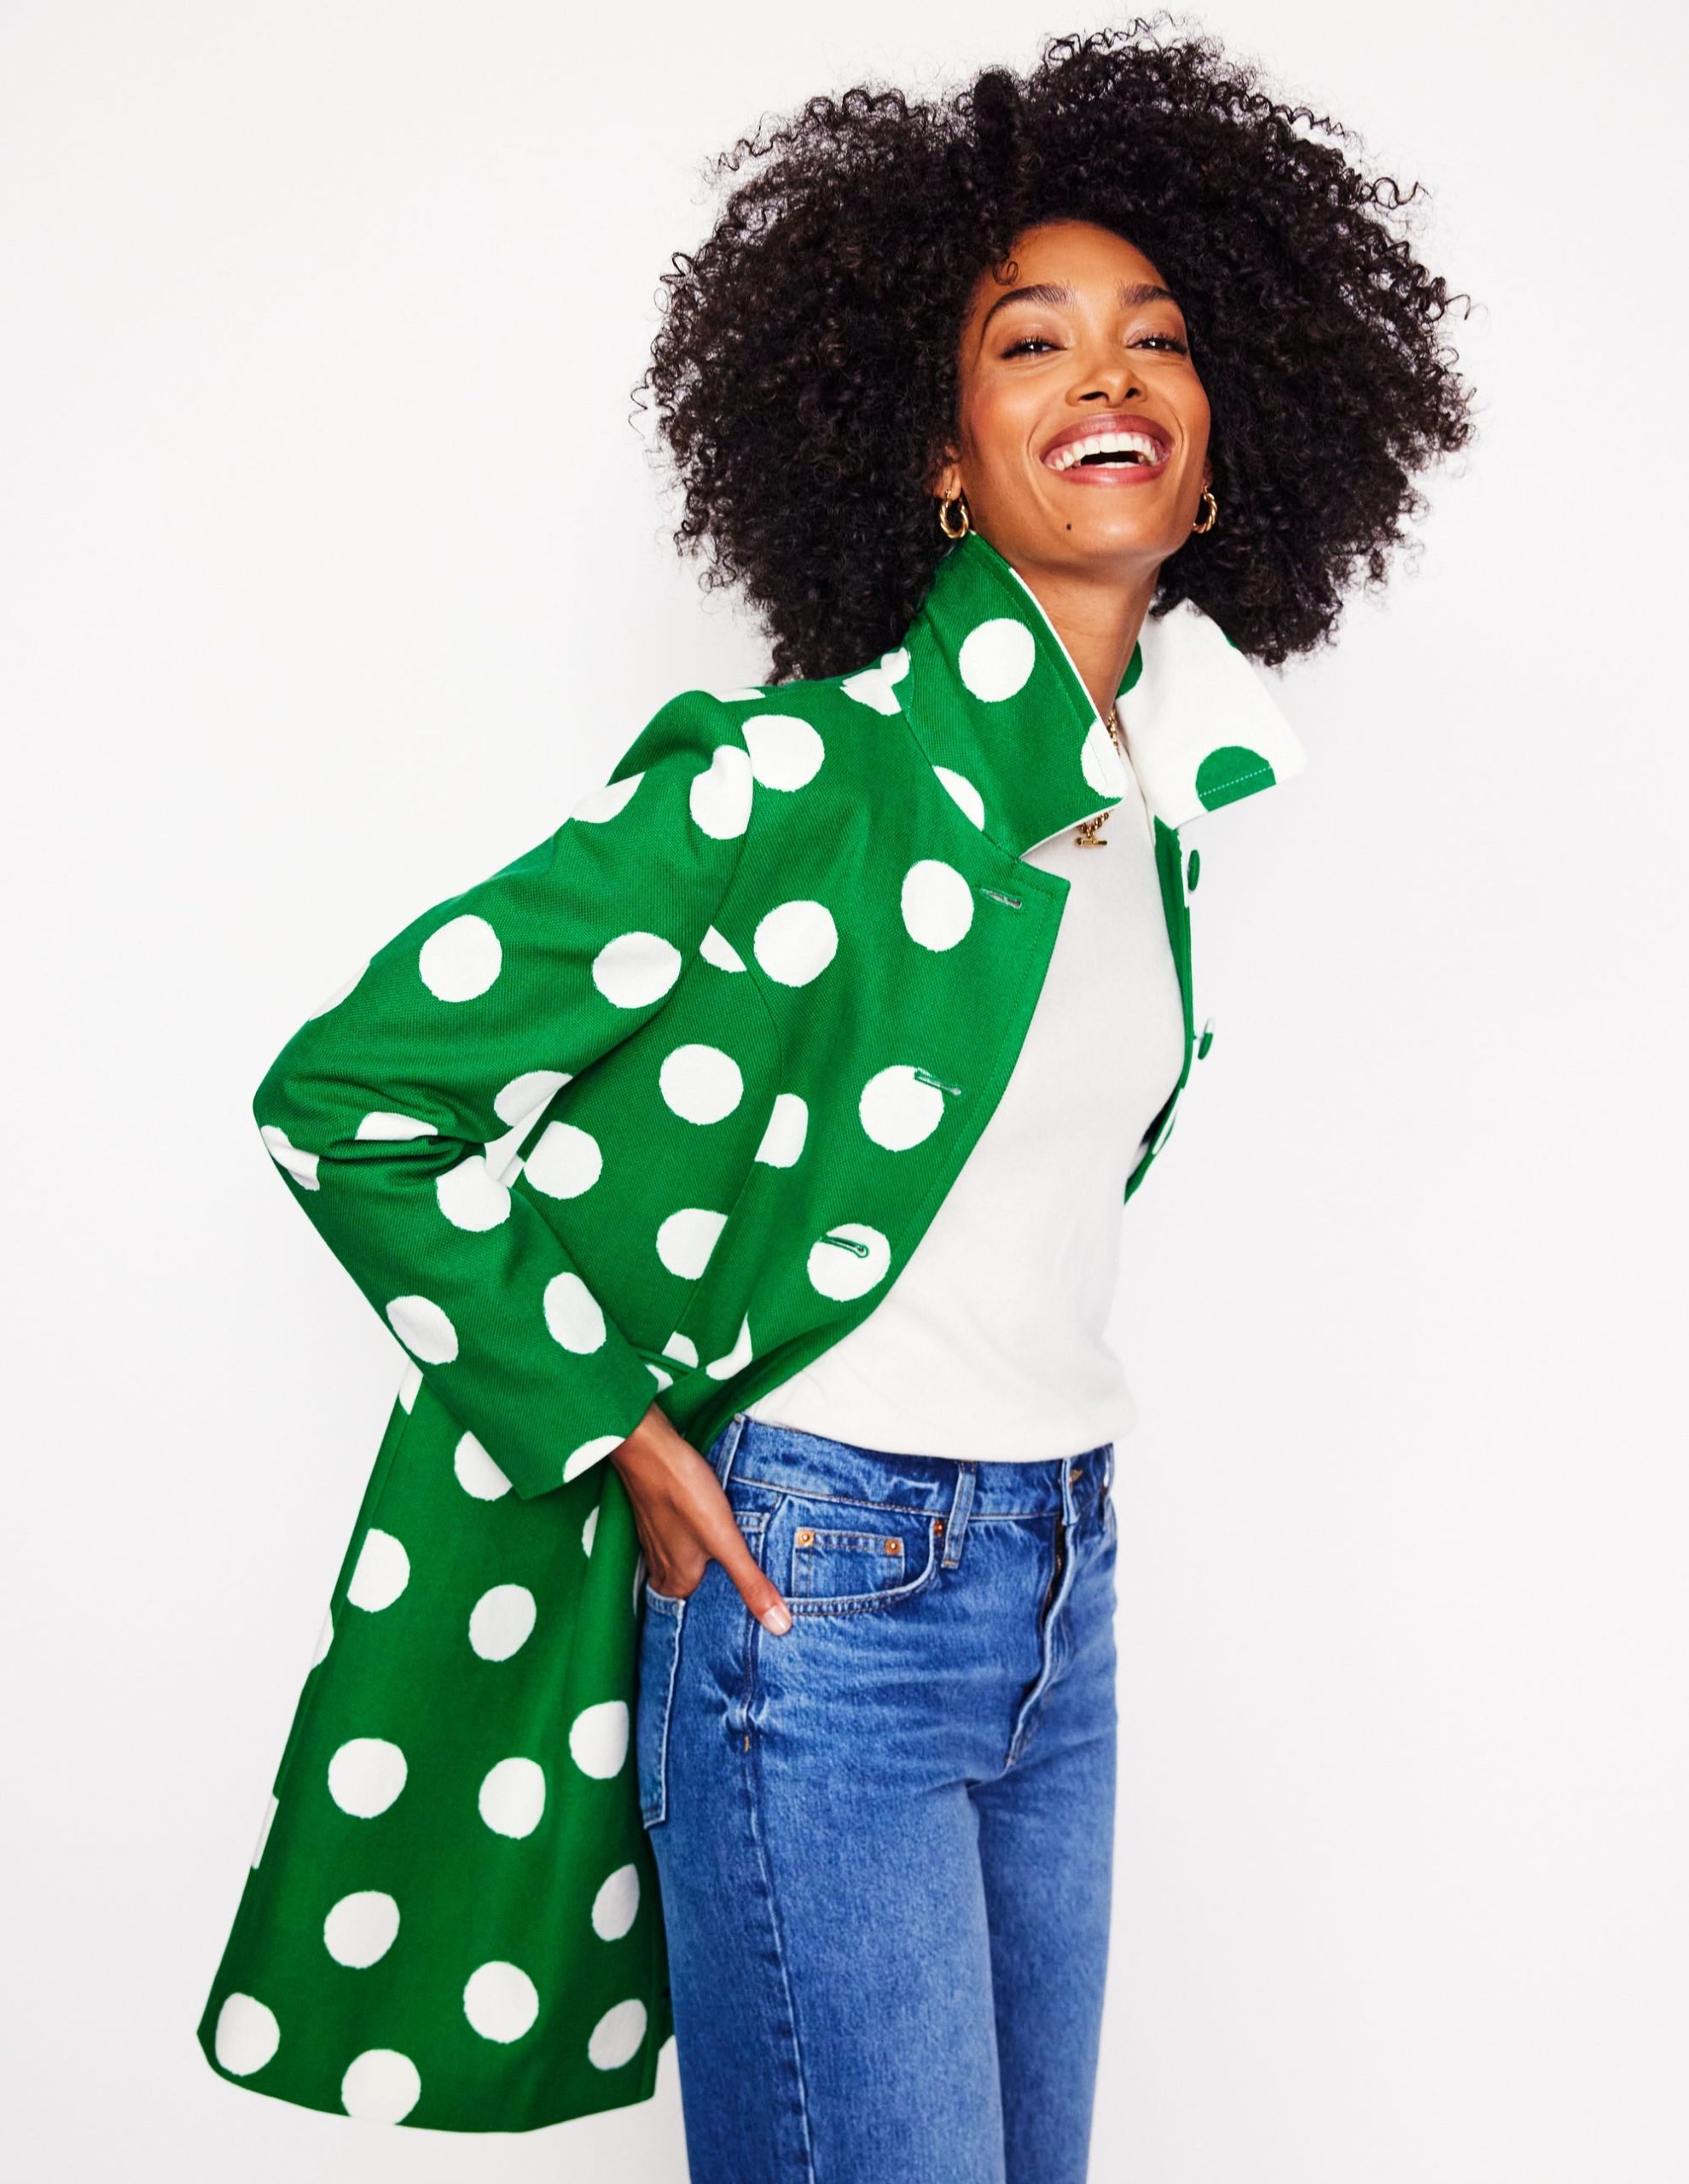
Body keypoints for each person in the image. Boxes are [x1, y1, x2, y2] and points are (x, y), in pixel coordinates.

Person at [197, 26, 1471, 2181]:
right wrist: (613, 1422)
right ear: (942, 458)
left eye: (1160, 338)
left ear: (1221, 453)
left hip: (1064, 1578)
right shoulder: (799, 775)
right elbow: (350, 1093)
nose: (1111, 375)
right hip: (823, 1587)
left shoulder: (1146, 813)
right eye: (1033, 339)